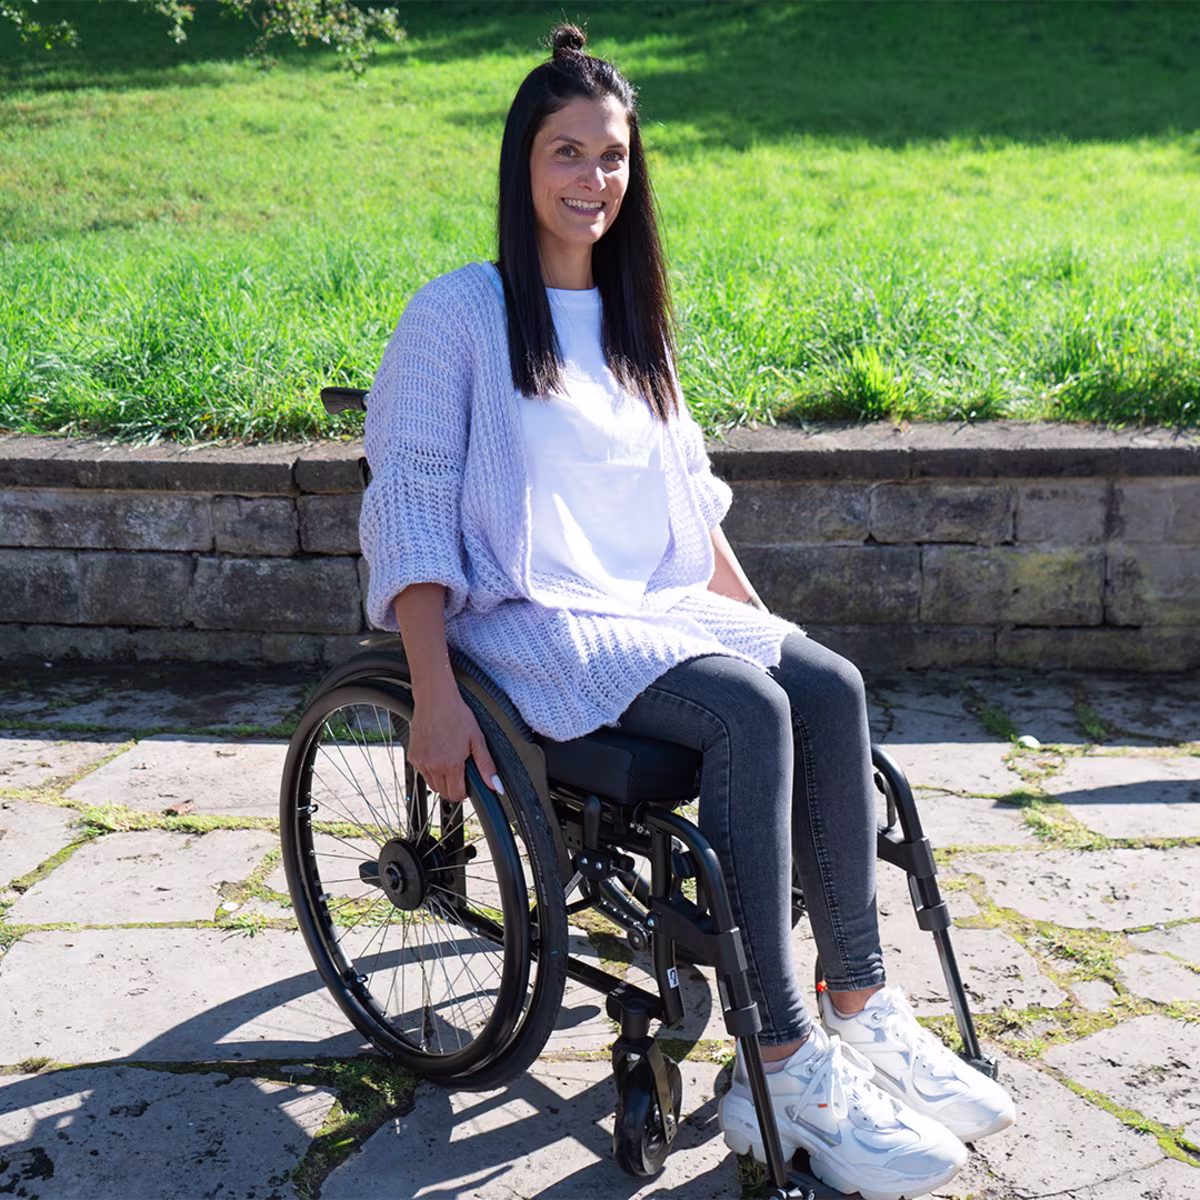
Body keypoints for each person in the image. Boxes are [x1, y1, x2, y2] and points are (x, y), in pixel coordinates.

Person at [359, 24, 1014, 1200]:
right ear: (522, 167)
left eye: (612, 157)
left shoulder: (630, 319)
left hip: (648, 608)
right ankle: (782, 1064)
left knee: (829, 685)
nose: (592, 180)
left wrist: (775, 632)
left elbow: (685, 507)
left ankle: (856, 1004)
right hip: (528, 618)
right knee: (748, 715)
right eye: (567, 154)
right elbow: (405, 504)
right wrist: (436, 695)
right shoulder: (458, 315)